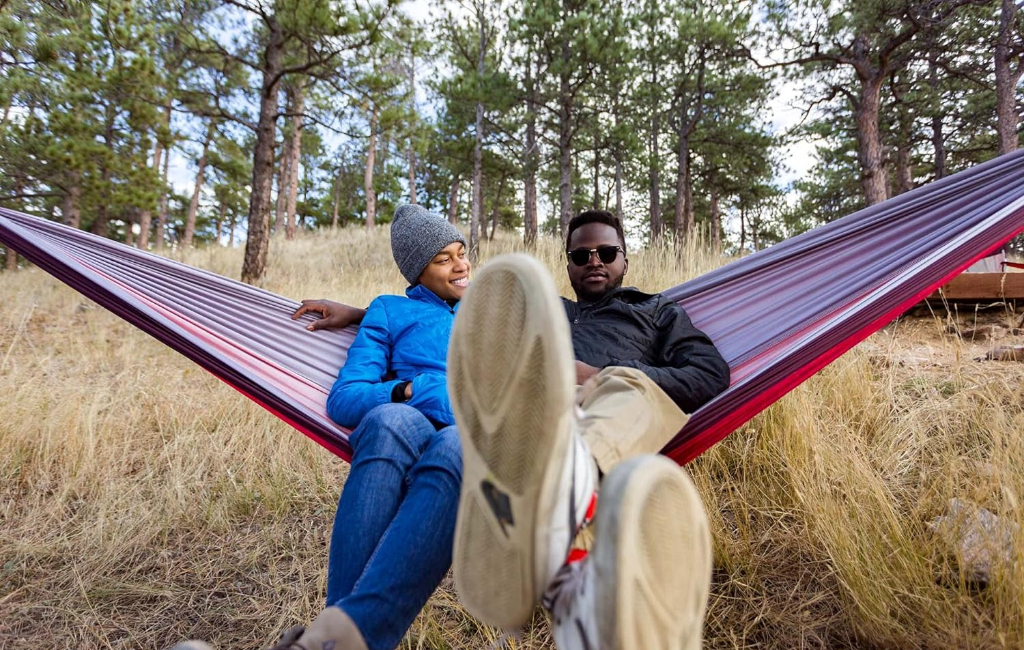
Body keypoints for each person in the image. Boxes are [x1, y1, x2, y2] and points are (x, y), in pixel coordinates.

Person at [299, 210, 730, 649]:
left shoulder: (655, 310)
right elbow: (416, 329)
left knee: (622, 389)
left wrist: (595, 374)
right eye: (581, 255)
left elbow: (708, 373)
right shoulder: (539, 311)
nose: (594, 261)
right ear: (568, 264)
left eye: (606, 253)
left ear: (625, 259)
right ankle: (342, 633)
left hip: (562, 417)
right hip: (506, 421)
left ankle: (570, 503)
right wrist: (367, 318)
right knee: (405, 426)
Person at [174, 203, 470, 650]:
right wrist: (411, 390)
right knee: (389, 421)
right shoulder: (389, 312)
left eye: (461, 252)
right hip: (409, 416)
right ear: (417, 272)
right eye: (443, 259)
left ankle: (326, 643)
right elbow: (347, 398)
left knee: (456, 447)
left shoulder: (494, 310)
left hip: (472, 428)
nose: (460, 265)